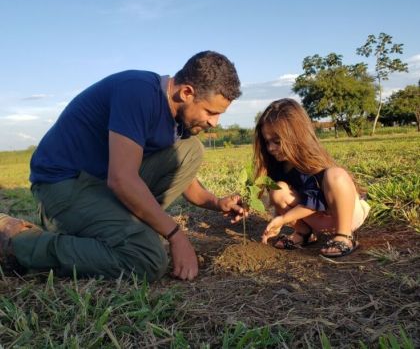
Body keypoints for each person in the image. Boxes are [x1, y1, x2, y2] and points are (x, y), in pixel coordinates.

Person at [0, 51, 246, 281]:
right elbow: (121, 179)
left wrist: (216, 203)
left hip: (99, 184)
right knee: (147, 258)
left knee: (191, 151)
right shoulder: (138, 92)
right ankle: (20, 243)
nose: (215, 123)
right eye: (210, 112)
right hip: (63, 185)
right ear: (186, 93)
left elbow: (185, 180)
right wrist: (176, 235)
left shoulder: (176, 119)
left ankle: (119, 228)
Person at [256, 99, 370, 257]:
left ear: (297, 136)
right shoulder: (278, 166)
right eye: (267, 142)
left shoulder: (311, 163)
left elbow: (315, 201)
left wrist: (283, 219)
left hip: (345, 215)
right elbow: (290, 203)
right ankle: (305, 234)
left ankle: (344, 236)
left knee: (336, 175)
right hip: (318, 220)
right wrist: (277, 221)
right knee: (278, 190)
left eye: (277, 141)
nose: (270, 148)